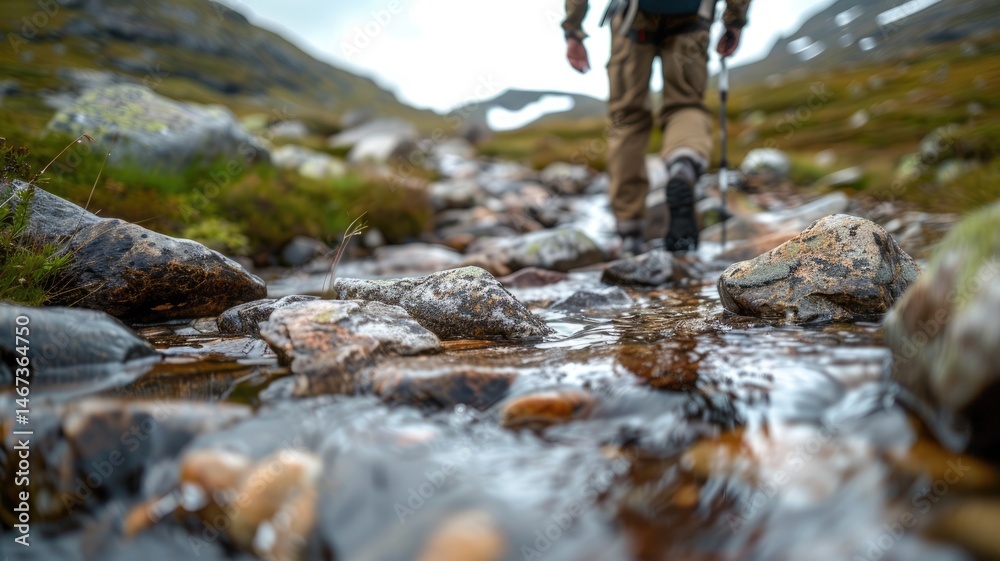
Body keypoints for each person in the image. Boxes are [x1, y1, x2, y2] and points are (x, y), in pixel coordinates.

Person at [562, 0, 750, 254]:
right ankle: (683, 163)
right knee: (685, 105)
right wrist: (734, 20)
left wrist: (573, 29)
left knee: (628, 119)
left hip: (632, 18)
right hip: (692, 17)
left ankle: (630, 232)